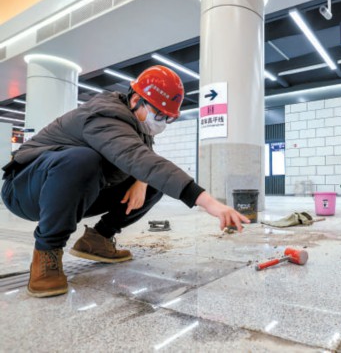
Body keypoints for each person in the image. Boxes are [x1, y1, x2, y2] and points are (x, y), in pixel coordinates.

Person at [2, 65, 249, 297]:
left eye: (167, 117)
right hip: (25, 189)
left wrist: (141, 180)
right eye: (158, 113)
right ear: (134, 99)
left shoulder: (139, 127)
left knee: (152, 182)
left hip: (70, 190)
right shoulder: (104, 115)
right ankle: (47, 252)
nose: (161, 122)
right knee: (82, 159)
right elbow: (136, 156)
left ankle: (98, 239)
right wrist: (208, 202)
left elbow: (142, 161)